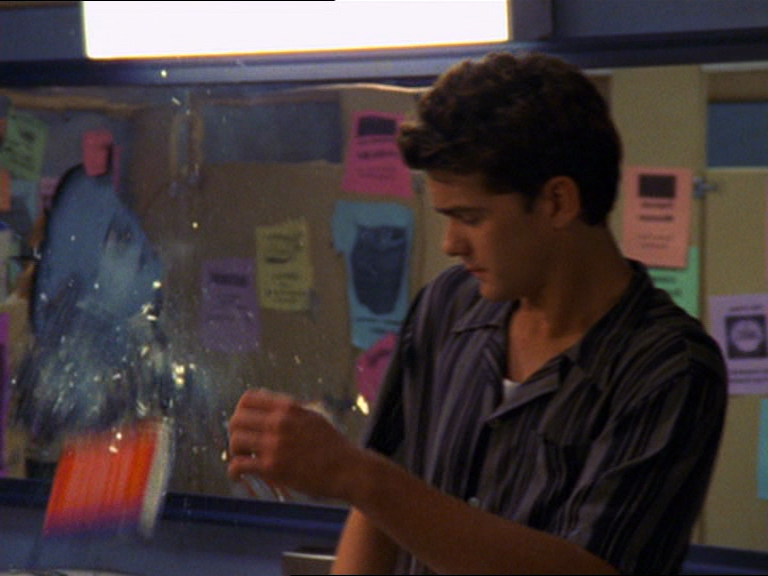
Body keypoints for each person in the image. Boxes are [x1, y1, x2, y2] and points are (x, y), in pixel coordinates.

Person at [227, 51, 728, 575]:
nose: (451, 244)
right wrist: (362, 481)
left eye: (470, 217)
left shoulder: (669, 367)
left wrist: (355, 474)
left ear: (558, 201)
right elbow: (376, 511)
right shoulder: (448, 306)